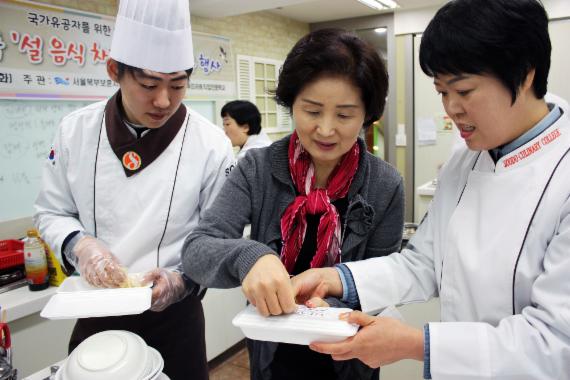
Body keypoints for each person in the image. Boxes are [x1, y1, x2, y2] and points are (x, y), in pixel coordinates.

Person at [288, 1, 570, 379]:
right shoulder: (466, 155)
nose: (451, 109)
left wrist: (414, 343)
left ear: (525, 75)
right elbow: (423, 261)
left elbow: (554, 342)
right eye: (441, 92)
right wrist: (334, 278)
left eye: (464, 91)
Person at [182, 28, 405, 380]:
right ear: (291, 104)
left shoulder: (384, 184)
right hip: (272, 355)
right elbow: (197, 251)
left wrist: (327, 306)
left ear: (367, 115)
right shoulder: (257, 169)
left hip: (349, 356)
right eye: (312, 111)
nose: (326, 130)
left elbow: (385, 280)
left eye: (345, 115)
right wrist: (250, 257)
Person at [33, 0, 234, 379]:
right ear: (114, 70)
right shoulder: (75, 131)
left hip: (177, 319)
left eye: (178, 85)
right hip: (96, 313)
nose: (163, 101)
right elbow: (51, 211)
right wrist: (82, 246)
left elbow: (219, 234)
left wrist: (183, 279)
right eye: (148, 84)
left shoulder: (211, 144)